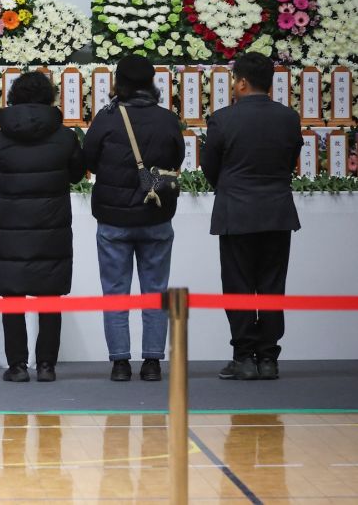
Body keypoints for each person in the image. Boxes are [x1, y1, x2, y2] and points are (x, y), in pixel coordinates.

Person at [83, 55, 184, 382]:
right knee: (156, 290)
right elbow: (177, 157)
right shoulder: (167, 119)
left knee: (115, 290)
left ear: (119, 83)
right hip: (156, 215)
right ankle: (153, 362)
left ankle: (120, 363)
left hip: (113, 218)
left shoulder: (107, 118)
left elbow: (90, 161)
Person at [202, 51, 302, 381]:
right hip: (276, 211)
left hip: (236, 212)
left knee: (238, 285)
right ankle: (269, 358)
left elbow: (209, 167)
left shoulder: (222, 119)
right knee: (273, 285)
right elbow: (291, 161)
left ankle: (244, 357)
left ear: (242, 82)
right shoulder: (288, 117)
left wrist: (229, 187)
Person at [0, 71, 85, 382]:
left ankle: (16, 366)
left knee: (12, 298)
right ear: (49, 97)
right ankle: (46, 366)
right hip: (51, 225)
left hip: (10, 227)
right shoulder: (65, 136)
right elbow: (77, 174)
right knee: (49, 296)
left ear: (14, 96)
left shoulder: (1, 137)